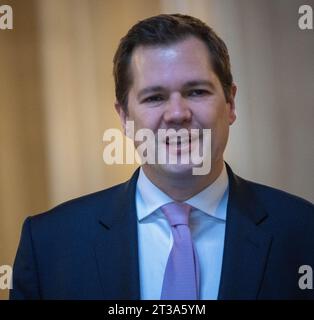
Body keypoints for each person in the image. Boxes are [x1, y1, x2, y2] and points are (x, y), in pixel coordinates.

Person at [10, 14, 314, 300]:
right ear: (125, 117)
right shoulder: (49, 245)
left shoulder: (304, 233)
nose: (178, 114)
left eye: (196, 91)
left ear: (230, 103)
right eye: (154, 97)